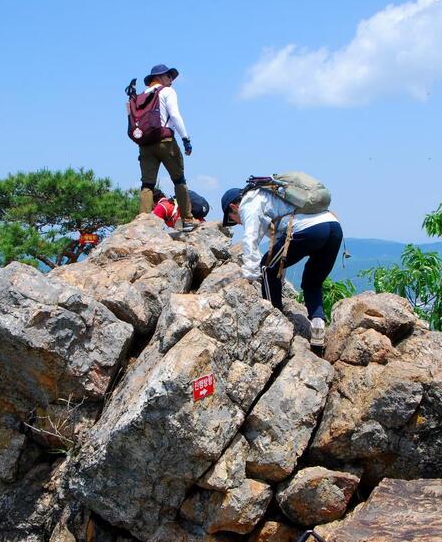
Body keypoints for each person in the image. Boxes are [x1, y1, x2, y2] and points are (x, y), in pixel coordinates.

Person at [220, 185, 343, 347]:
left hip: (307, 230)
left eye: (233, 219)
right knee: (312, 282)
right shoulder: (270, 198)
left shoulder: (248, 204)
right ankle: (317, 321)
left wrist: (250, 275)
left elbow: (250, 240)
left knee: (266, 268)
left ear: (234, 207)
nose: (237, 223)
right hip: (333, 227)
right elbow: (280, 253)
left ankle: (274, 317)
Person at [136, 64, 196, 231]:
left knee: (147, 184)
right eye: (169, 76)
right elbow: (175, 115)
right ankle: (187, 219)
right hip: (165, 142)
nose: (171, 80)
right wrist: (186, 139)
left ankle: (142, 223)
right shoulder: (167, 91)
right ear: (159, 77)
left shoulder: (141, 96)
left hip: (145, 144)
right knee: (179, 180)